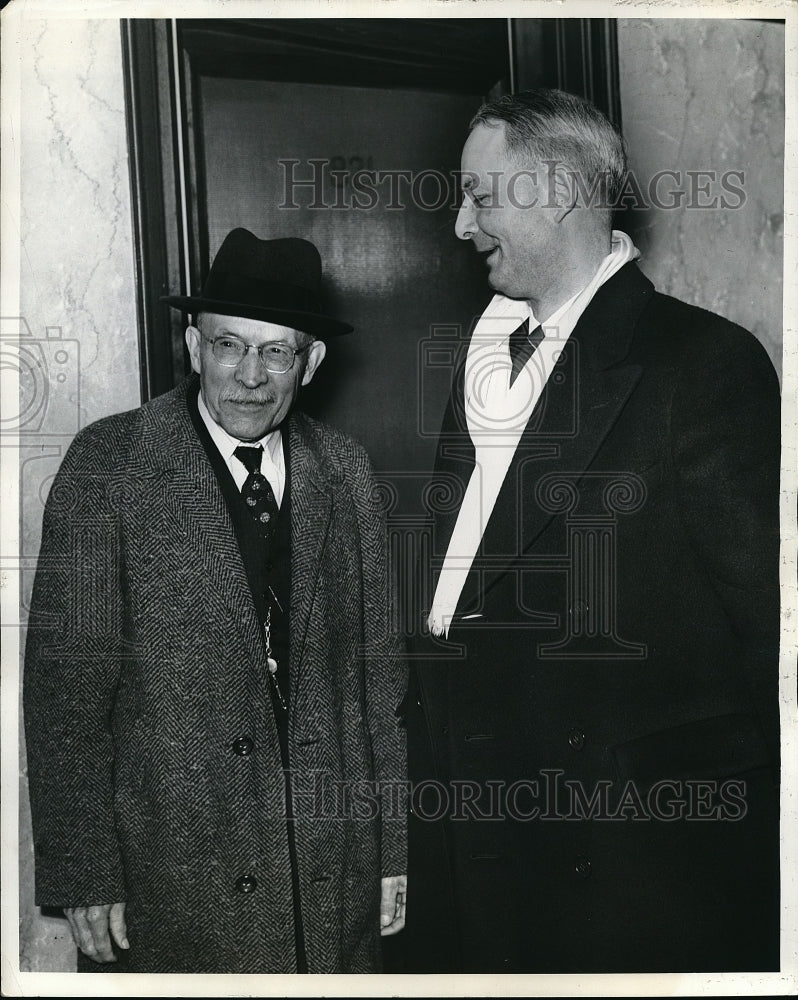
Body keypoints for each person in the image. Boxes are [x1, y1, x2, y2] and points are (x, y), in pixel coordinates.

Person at [403, 89, 780, 974]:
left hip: (627, 860)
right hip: (481, 825)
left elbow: (767, 632)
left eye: (480, 196)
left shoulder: (703, 364)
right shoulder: (487, 352)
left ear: (560, 192)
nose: (461, 224)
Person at [23, 228, 407, 974]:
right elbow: (64, 692)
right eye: (229, 345)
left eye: (275, 352)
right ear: (193, 345)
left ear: (311, 361)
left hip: (328, 876)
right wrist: (85, 872)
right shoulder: (110, 463)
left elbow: (379, 679)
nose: (249, 375)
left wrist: (391, 847)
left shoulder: (346, 469)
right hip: (170, 875)